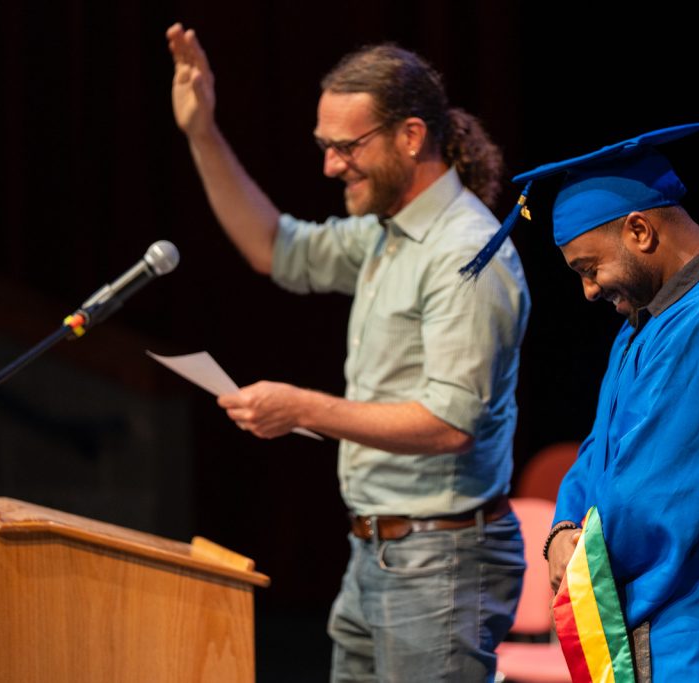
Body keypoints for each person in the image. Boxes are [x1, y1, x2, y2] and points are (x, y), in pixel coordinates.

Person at [166, 24, 529, 682]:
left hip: (439, 560)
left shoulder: (464, 253)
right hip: (376, 551)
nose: (331, 166)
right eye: (325, 147)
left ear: (411, 135)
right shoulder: (386, 233)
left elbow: (450, 424)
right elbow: (274, 247)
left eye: (346, 147)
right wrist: (202, 132)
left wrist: (302, 407)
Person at [463, 125, 699, 681]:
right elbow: (598, 451)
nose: (588, 290)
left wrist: (579, 559)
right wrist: (562, 529)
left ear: (639, 230)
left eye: (589, 268)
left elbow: (651, 496)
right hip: (665, 623)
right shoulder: (651, 322)